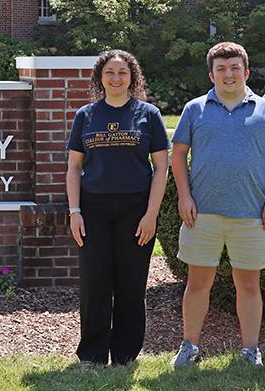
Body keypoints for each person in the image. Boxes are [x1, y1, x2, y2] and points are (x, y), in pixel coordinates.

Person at [170, 42, 265, 368]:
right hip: (202, 213)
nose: (228, 74)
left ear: (246, 72)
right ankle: (189, 346)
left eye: (234, 68)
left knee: (249, 285)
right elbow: (178, 153)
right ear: (211, 74)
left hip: (252, 214)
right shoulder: (194, 109)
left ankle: (250, 349)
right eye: (221, 69)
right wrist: (184, 195)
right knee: (197, 284)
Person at [65, 49, 170, 365]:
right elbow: (74, 167)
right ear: (100, 76)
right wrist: (74, 212)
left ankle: (125, 353)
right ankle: (93, 354)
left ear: (132, 77)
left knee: (131, 283)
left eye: (122, 72)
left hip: (136, 210)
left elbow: (161, 168)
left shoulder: (148, 114)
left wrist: (151, 215)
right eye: (109, 72)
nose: (116, 78)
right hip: (93, 210)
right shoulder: (86, 115)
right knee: (95, 282)